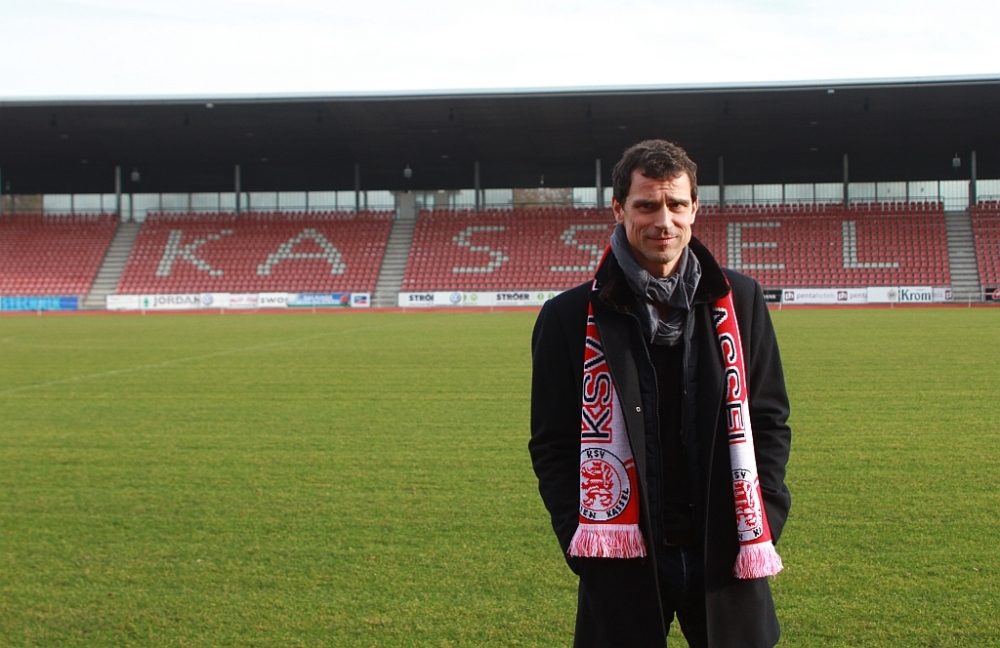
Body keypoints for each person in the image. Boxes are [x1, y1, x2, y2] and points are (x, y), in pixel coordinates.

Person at [529, 140, 792, 648]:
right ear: (619, 209)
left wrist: (767, 517)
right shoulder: (567, 317)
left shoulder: (741, 301)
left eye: (675, 204)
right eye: (647, 205)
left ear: (695, 208)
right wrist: (580, 540)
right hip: (622, 558)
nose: (663, 221)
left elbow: (768, 420)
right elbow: (553, 443)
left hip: (725, 550)